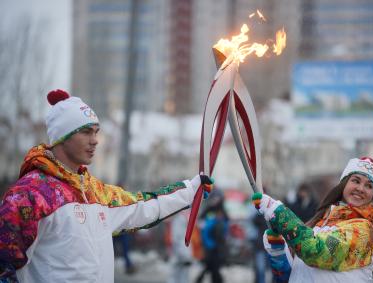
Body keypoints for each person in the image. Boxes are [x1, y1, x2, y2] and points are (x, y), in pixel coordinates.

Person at [0, 90, 213, 283]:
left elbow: (143, 206)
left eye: (96, 131)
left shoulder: (94, 192)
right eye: (85, 132)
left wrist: (191, 189)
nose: (95, 140)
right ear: (62, 137)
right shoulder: (29, 195)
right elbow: (4, 267)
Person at [252, 157, 373, 283]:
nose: (361, 189)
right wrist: (279, 254)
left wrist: (278, 212)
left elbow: (316, 252)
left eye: (369, 186)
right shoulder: (320, 224)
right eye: (356, 181)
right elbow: (294, 276)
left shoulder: (363, 232)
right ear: (344, 183)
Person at [195, 189, 229, 283]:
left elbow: (226, 227)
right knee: (211, 267)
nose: (215, 200)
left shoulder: (222, 212)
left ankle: (199, 279)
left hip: (219, 246)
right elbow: (202, 225)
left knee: (213, 268)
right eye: (214, 198)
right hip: (209, 245)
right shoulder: (207, 210)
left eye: (217, 198)